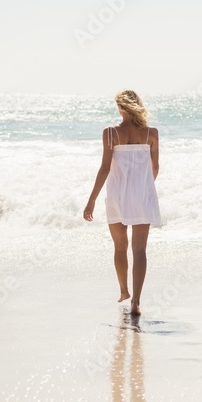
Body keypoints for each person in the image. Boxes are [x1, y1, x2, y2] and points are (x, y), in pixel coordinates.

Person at [83, 90, 161, 315]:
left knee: (120, 247)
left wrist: (91, 201)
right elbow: (155, 168)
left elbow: (105, 168)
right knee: (140, 250)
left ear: (120, 107)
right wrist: (143, 188)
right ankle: (136, 301)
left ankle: (124, 291)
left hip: (117, 194)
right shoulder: (151, 133)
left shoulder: (110, 133)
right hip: (143, 195)